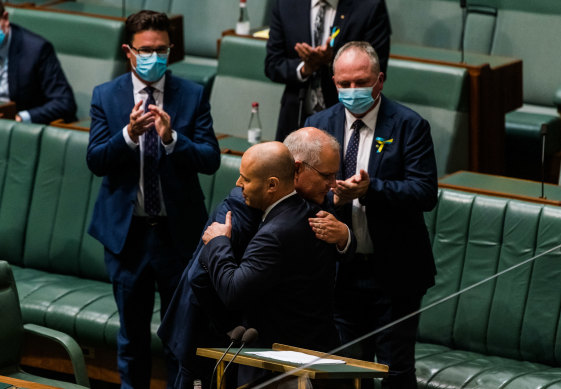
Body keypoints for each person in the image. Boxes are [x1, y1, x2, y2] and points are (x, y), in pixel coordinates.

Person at [86, 10, 220, 389]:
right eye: (146, 49)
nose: (153, 56)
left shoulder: (192, 94)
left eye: (161, 49)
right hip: (128, 238)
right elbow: (96, 161)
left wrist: (171, 140)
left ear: (171, 50)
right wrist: (128, 134)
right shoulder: (106, 96)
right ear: (129, 51)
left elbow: (210, 159)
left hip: (177, 238)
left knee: (182, 339)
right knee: (132, 338)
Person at [158, 127, 352, 388]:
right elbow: (200, 277)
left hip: (270, 338)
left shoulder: (312, 200)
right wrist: (234, 326)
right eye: (326, 175)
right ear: (296, 169)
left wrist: (344, 237)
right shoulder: (241, 206)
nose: (332, 185)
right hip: (211, 329)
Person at [305, 41, 438, 389]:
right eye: (344, 84)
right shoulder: (317, 125)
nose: (352, 91)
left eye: (361, 82)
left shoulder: (409, 125)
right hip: (340, 274)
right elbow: (302, 193)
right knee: (345, 372)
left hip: (395, 275)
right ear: (333, 82)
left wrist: (371, 189)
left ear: (380, 80)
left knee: (395, 374)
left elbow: (425, 193)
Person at [200, 141, 341, 385]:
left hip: (282, 365)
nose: (238, 184)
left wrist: (218, 243)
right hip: (310, 351)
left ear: (272, 185)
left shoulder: (274, 233)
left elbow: (234, 291)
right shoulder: (308, 212)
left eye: (246, 179)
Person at [265, 0, 391, 142]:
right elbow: (272, 65)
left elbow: (378, 66)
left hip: (348, 118)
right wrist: (305, 68)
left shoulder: (370, 6)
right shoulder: (285, 3)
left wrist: (332, 61)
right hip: (296, 116)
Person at [0, 1, 76, 123]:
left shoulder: (37, 50)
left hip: (18, 130)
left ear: (5, 18)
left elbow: (64, 103)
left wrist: (20, 118)